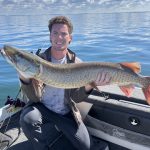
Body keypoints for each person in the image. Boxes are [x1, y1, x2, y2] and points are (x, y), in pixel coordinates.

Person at [19, 16, 130, 150]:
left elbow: (76, 98)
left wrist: (90, 84)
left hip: (66, 112)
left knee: (85, 146)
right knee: (28, 119)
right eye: (55, 33)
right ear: (50, 36)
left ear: (70, 38)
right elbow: (34, 98)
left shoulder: (78, 63)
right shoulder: (38, 61)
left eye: (63, 34)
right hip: (43, 108)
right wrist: (25, 79)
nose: (59, 37)